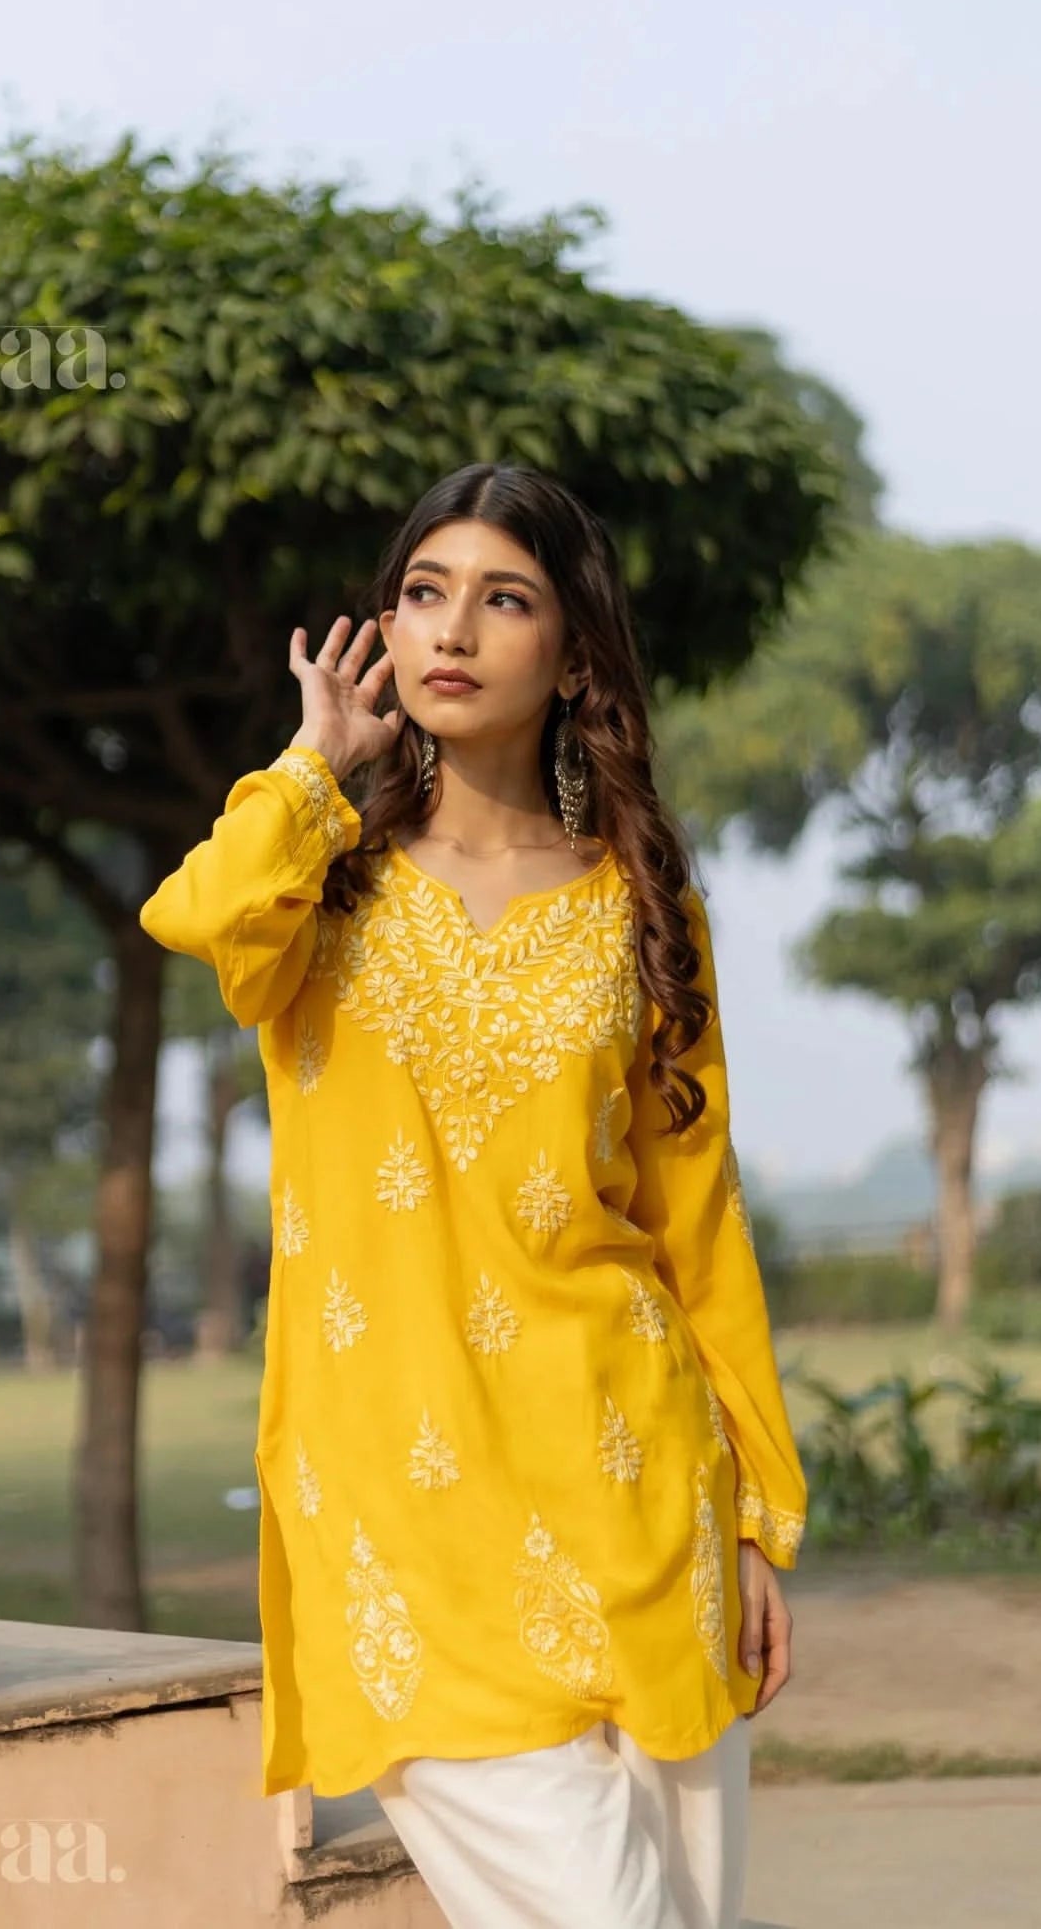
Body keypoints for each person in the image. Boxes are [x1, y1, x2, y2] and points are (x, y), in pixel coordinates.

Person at [139, 462, 807, 1929]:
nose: (452, 630)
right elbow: (197, 911)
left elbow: (698, 1219)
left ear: (572, 657)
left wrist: (758, 1512)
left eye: (505, 600)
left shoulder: (641, 905)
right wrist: (314, 760)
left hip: (639, 1490)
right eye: (424, 593)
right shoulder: (318, 884)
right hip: (405, 1519)